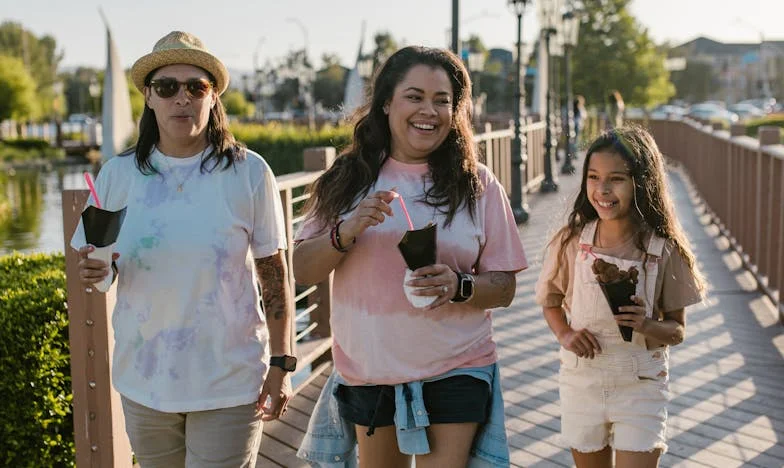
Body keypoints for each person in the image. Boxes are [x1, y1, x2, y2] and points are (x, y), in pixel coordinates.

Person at [293, 46, 527, 467]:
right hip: (370, 371)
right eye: (415, 96)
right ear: (386, 102)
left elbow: (505, 286)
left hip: (458, 365)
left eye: (442, 100)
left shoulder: (478, 183)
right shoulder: (347, 179)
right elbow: (303, 268)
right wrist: (345, 231)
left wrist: (460, 285)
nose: (430, 111)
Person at [71, 31, 295, 467]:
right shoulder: (117, 176)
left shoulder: (249, 172)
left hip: (229, 382)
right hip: (145, 382)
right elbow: (99, 265)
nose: (182, 98)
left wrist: (282, 365)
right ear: (149, 99)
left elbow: (274, 273)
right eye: (167, 87)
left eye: (196, 87)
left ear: (213, 99)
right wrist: (98, 273)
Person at [535, 125, 706, 468]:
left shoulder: (662, 249)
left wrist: (645, 324)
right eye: (594, 177)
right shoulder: (572, 242)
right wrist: (565, 334)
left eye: (617, 179)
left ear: (642, 182)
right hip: (583, 380)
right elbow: (550, 300)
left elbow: (677, 331)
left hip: (641, 385)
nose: (602, 189)